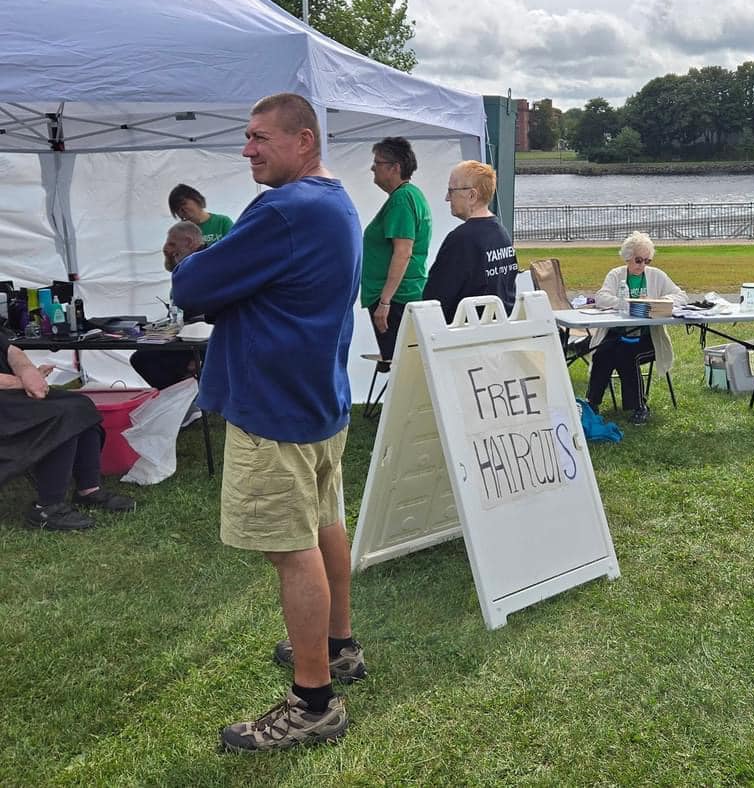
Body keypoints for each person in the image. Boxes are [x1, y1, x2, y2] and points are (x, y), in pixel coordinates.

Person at [172, 92, 363, 751]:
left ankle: (313, 702)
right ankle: (339, 647)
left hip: (276, 405)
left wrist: (200, 253)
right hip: (316, 398)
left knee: (290, 548)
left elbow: (192, 287)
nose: (247, 148)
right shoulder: (337, 202)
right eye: (246, 137)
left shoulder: (286, 207)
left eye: (261, 137)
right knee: (323, 523)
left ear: (304, 140)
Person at [0, 334, 135, 530]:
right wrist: (23, 382)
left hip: (11, 393)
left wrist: (28, 371)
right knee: (60, 415)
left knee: (81, 404)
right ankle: (46, 508)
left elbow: (11, 350)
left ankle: (88, 490)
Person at [585, 231, 686, 425]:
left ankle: (640, 406)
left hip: (649, 338)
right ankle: (592, 403)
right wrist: (628, 303)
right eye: (638, 260)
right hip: (617, 334)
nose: (642, 265)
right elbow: (601, 297)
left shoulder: (657, 276)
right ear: (628, 258)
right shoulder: (616, 275)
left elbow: (681, 296)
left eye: (647, 261)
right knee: (603, 352)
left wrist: (658, 301)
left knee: (626, 353)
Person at [361, 137, 431, 362]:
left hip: (396, 300)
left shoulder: (401, 200)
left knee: (401, 367)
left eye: (377, 163)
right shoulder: (410, 195)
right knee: (406, 366)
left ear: (395, 168)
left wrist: (384, 302)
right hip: (401, 295)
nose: (373, 168)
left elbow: (403, 252)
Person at [423, 161, 517, 322]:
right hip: (499, 328)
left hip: (465, 334)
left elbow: (434, 300)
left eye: (451, 191)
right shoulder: (501, 234)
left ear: (472, 195)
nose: (447, 198)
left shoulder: (461, 240)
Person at [130, 221, 205, 393]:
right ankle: (181, 399)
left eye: (172, 244)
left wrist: (199, 354)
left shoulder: (203, 262)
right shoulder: (192, 262)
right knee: (145, 354)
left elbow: (206, 312)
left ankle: (183, 401)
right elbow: (171, 269)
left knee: (143, 359)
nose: (167, 248)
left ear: (188, 242)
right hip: (190, 334)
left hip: (203, 337)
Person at [168, 183, 234, 246]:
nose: (182, 210)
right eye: (177, 208)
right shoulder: (179, 233)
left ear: (196, 199)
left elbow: (235, 246)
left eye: (183, 203)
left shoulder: (223, 222)